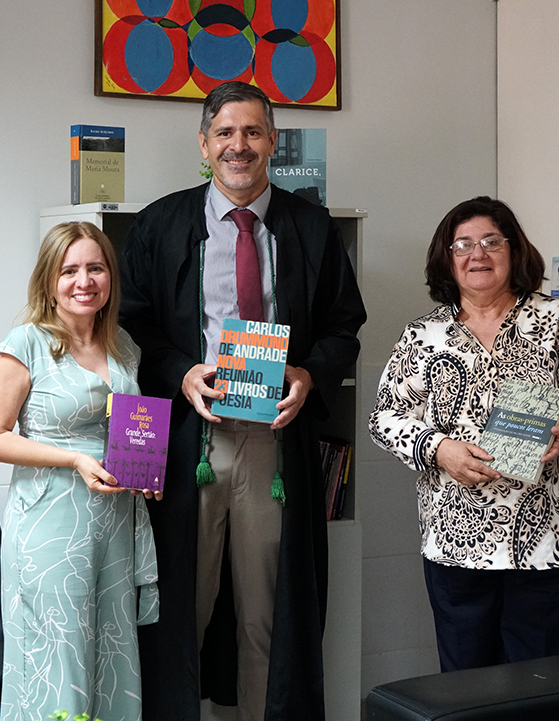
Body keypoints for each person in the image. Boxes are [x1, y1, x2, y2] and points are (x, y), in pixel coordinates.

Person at [119, 82, 366, 721]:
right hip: (185, 446)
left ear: (272, 143)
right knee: (179, 611)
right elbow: (130, 326)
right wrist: (180, 373)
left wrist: (310, 375)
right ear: (204, 144)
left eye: (253, 132)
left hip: (272, 447)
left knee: (269, 616)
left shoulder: (311, 227)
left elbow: (345, 326)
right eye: (225, 133)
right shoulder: (159, 224)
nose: (239, 146)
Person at [369, 196, 559, 673]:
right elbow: (385, 417)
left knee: (547, 688)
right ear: (447, 260)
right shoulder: (423, 335)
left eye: (492, 241)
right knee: (467, 688)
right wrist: (438, 448)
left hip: (549, 541)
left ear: (514, 251)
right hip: (454, 541)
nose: (478, 254)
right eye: (463, 245)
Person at [0, 222, 160, 721]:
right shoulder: (25, 343)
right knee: (58, 661)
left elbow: (127, 430)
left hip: (114, 523)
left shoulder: (123, 344)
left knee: (111, 657)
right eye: (70, 270)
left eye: (95, 268)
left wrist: (145, 471)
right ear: (49, 280)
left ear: (109, 277)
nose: (84, 281)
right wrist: (74, 458)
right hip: (51, 527)